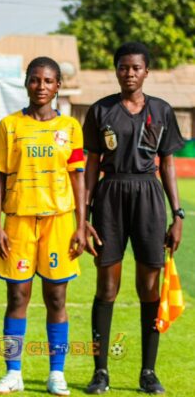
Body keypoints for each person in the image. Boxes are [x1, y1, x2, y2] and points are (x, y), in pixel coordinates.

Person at [83, 42, 184, 395]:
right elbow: (91, 165)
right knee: (106, 288)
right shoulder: (100, 111)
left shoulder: (162, 110)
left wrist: (178, 214)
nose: (129, 73)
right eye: (123, 67)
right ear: (116, 70)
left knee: (149, 289)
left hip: (149, 199)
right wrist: (84, 215)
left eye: (136, 68)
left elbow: (168, 164)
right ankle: (100, 372)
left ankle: (148, 372)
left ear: (146, 71)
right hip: (110, 196)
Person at [0, 57, 87, 396]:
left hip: (58, 222)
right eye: (35, 80)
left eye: (48, 81)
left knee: (57, 297)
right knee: (17, 295)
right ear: (26, 83)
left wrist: (82, 225)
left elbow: (78, 180)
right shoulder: (9, 126)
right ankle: (13, 372)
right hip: (18, 222)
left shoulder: (71, 127)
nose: (41, 87)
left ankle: (56, 373)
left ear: (58, 86)